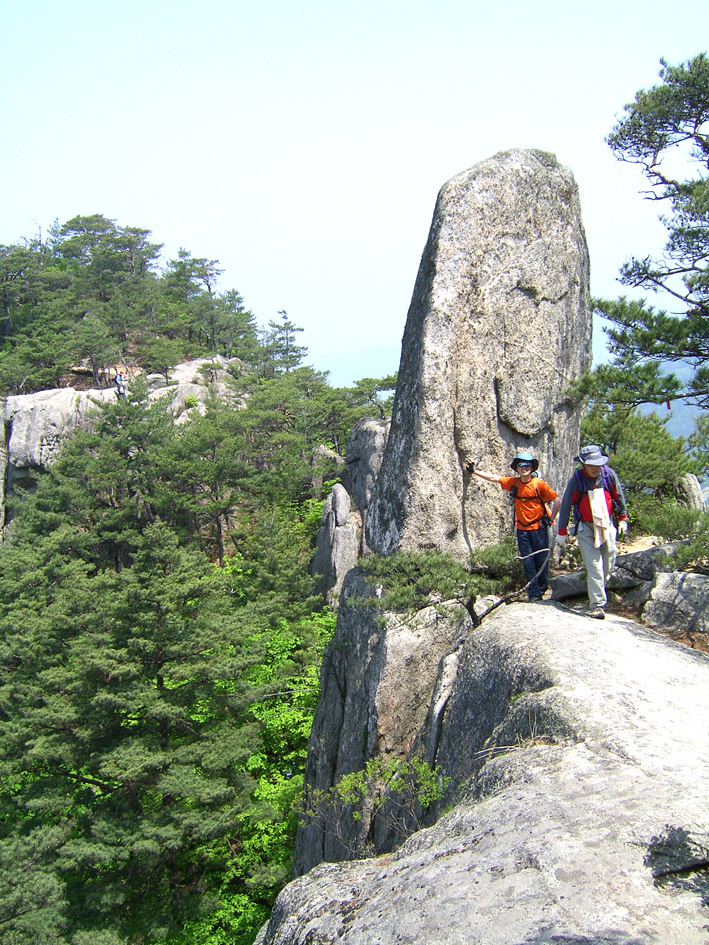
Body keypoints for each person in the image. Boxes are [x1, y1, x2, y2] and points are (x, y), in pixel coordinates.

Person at [466, 451, 561, 602]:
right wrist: (474, 471)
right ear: (517, 468)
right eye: (521, 465)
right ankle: (534, 594)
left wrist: (550, 519)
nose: (525, 468)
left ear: (532, 467)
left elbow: (557, 500)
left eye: (528, 465)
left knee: (541, 560)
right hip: (522, 530)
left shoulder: (538, 484)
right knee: (528, 562)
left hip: (539, 529)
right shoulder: (514, 483)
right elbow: (494, 478)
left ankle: (542, 589)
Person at [556, 445, 629, 620]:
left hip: (606, 523)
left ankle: (599, 589)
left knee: (609, 559)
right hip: (586, 527)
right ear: (583, 464)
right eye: (591, 465)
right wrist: (562, 531)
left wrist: (622, 518)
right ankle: (597, 605)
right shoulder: (577, 480)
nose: (596, 468)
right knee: (594, 566)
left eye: (598, 464)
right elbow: (566, 505)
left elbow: (618, 495)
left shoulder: (608, 475)